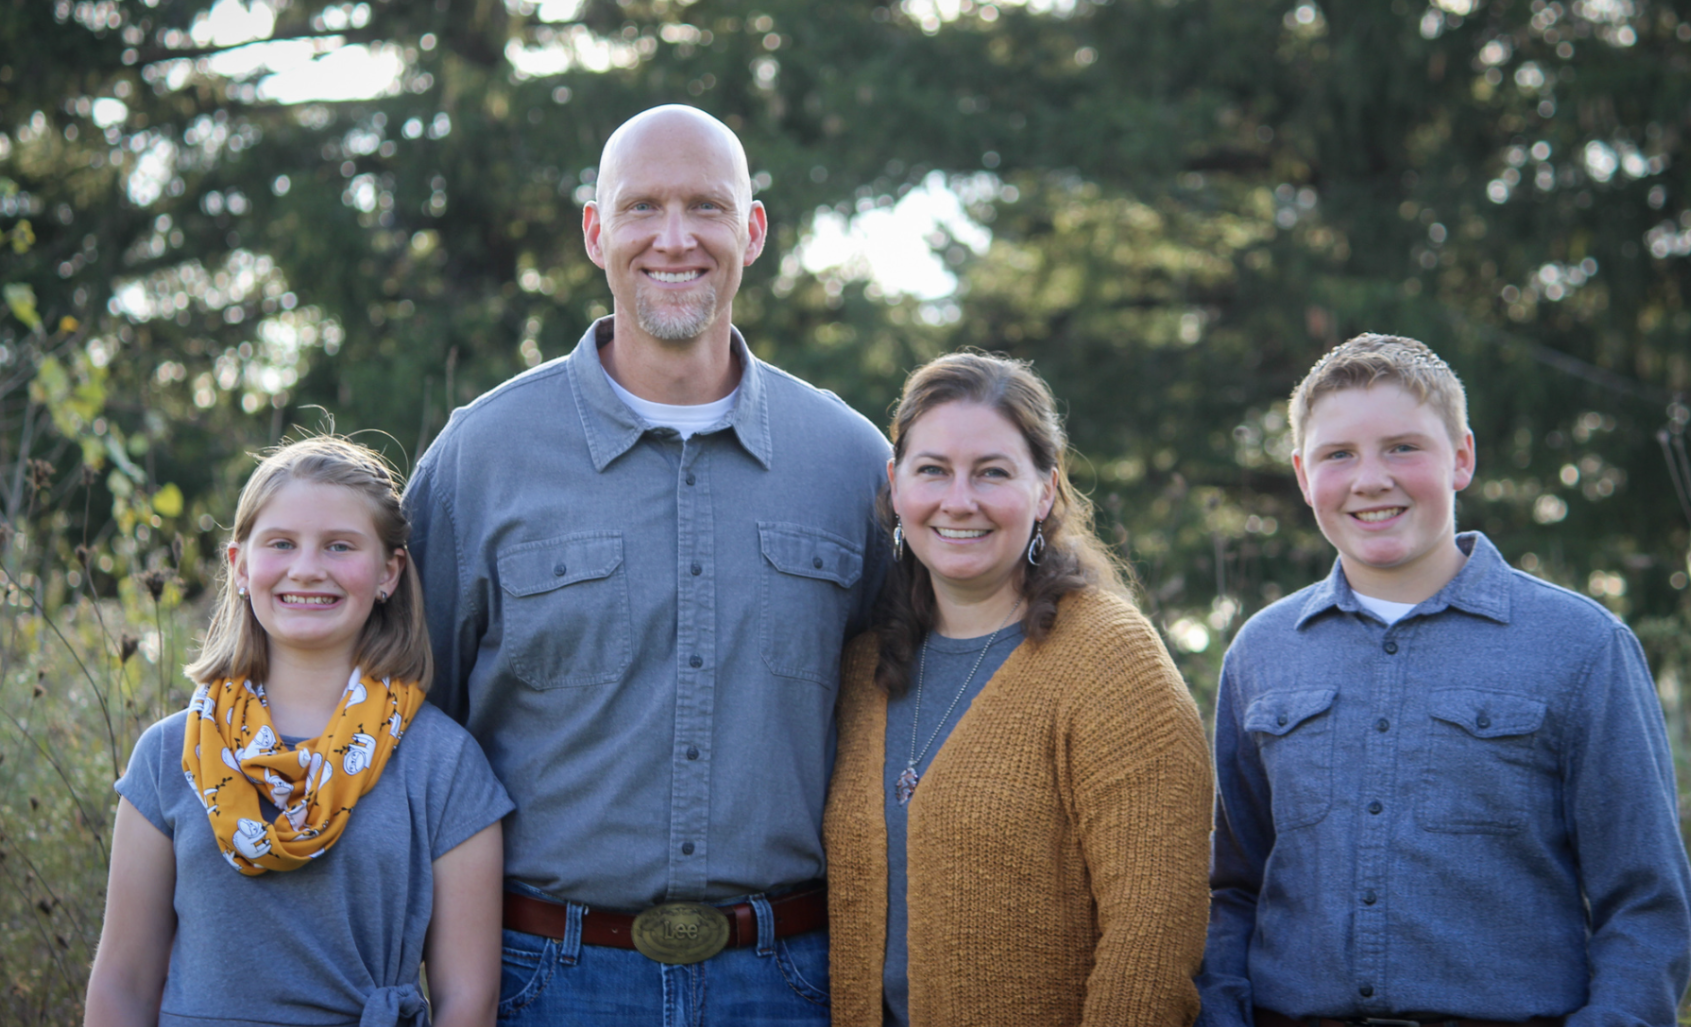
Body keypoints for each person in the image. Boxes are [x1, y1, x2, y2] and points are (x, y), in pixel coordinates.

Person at [402, 104, 892, 1024]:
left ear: (752, 231)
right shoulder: (483, 457)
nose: (675, 239)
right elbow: (407, 728)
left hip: (791, 982)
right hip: (542, 978)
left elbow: (904, 714)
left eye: (707, 207)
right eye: (642, 209)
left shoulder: (849, 464)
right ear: (596, 232)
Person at [1198, 333, 1691, 1025]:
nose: (1371, 478)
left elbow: (1646, 902)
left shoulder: (1582, 647)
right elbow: (1231, 888)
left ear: (1461, 457)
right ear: (1304, 477)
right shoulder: (1262, 652)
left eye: (1403, 447)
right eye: (1338, 455)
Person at [824, 352, 1212, 1026]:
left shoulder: (1110, 661)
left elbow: (1153, 937)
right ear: (895, 484)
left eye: (993, 473)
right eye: (933, 470)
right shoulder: (863, 666)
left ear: (1045, 490)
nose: (959, 500)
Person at [86, 435, 512, 1027]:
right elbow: (122, 985)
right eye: (281, 543)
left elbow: (469, 1001)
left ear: (389, 572)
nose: (307, 568)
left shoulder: (443, 763)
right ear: (240, 565)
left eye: (339, 546)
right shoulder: (168, 755)